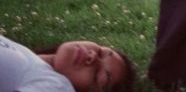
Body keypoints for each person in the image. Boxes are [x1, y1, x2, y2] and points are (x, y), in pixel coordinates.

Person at [0, 34, 135, 92]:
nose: (92, 56)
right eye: (100, 52)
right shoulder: (26, 54)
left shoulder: (57, 86)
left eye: (96, 75)